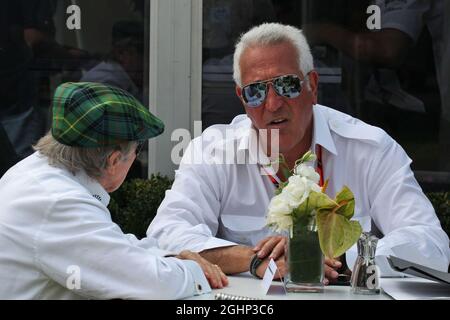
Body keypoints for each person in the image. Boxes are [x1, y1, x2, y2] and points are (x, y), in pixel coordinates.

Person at [147, 23, 450, 282]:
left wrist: (338, 256)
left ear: (312, 86)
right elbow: (165, 235)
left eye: (287, 85)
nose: (272, 104)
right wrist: (254, 259)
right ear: (242, 99)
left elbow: (430, 244)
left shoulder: (369, 149)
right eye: (256, 91)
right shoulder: (213, 152)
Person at [0, 82, 227, 299]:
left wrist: (171, 258)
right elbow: (151, 284)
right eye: (139, 148)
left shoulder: (34, 172)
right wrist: (196, 271)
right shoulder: (60, 201)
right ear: (114, 160)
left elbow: (112, 246)